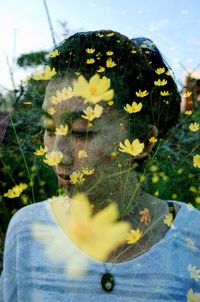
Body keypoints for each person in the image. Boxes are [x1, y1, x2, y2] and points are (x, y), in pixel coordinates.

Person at [0, 30, 200, 302]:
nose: (56, 154)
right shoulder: (26, 230)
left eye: (80, 131)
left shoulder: (192, 237)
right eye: (48, 128)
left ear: (144, 140)